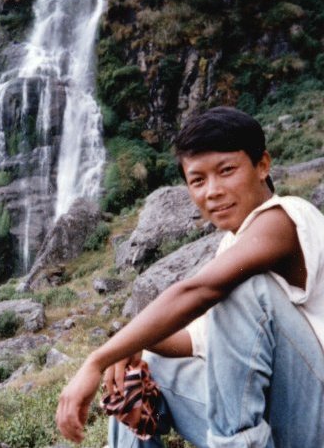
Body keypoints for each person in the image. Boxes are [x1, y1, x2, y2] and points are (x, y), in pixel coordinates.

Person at [56, 107, 324, 447]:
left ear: (262, 165)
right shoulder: (232, 245)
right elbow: (194, 342)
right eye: (198, 180)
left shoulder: (285, 218)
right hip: (279, 423)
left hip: (314, 417)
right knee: (146, 365)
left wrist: (98, 359)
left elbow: (200, 290)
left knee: (247, 286)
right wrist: (132, 345)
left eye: (226, 171)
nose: (212, 191)